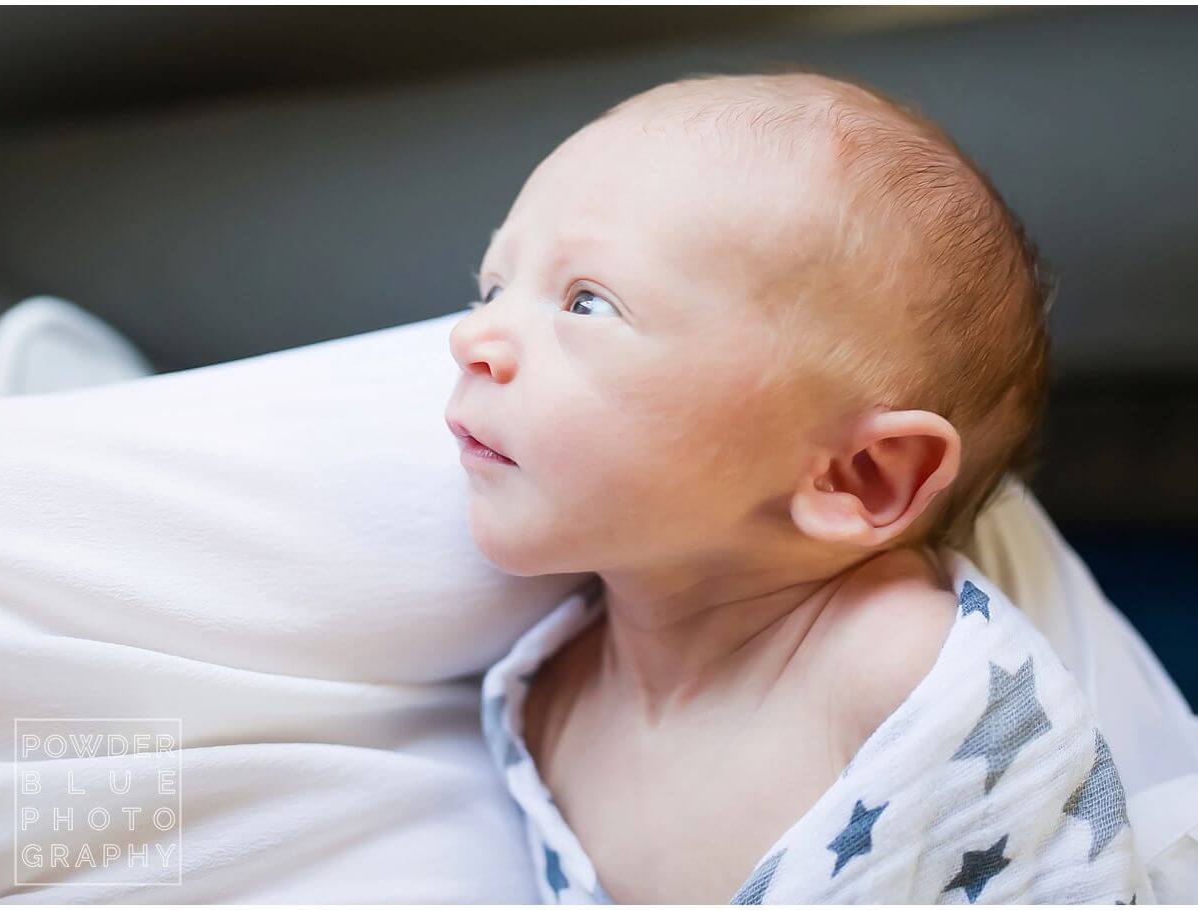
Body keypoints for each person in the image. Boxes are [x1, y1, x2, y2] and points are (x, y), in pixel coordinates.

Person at [453, 74, 1149, 902]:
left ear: (857, 476)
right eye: (494, 287)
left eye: (588, 303)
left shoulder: (900, 678)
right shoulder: (541, 696)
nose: (471, 337)